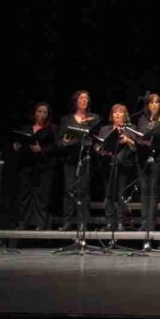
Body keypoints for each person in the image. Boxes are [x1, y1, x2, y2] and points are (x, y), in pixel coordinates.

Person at [57, 90, 100, 231]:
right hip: (70, 158)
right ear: (75, 101)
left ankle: (83, 222)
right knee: (69, 190)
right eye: (81, 98)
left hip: (85, 157)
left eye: (86, 98)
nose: (84, 100)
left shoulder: (93, 118)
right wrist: (64, 141)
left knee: (84, 190)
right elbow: (59, 141)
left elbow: (96, 137)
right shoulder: (66, 119)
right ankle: (67, 221)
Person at [13, 102, 57, 230]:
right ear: (34, 113)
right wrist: (17, 146)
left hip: (44, 166)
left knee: (42, 196)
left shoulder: (52, 128)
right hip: (27, 165)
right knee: (24, 194)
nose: (42, 114)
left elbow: (56, 147)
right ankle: (22, 222)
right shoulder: (26, 128)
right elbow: (20, 142)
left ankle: (40, 223)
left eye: (45, 112)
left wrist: (41, 149)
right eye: (39, 111)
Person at [96, 104, 137, 231]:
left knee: (121, 193)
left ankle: (120, 222)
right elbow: (97, 145)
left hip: (124, 165)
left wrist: (128, 140)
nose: (117, 114)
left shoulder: (131, 129)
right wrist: (100, 150)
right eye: (115, 112)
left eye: (120, 112)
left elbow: (136, 147)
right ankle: (110, 222)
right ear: (111, 115)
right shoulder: (105, 129)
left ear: (125, 115)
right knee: (109, 193)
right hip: (108, 164)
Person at [134, 94, 160, 232]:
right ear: (147, 105)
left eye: (157, 103)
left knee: (153, 188)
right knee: (144, 189)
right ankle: (144, 222)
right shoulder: (141, 119)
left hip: (157, 155)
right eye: (151, 103)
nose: (154, 105)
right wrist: (141, 140)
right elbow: (137, 134)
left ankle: (151, 222)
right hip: (142, 157)